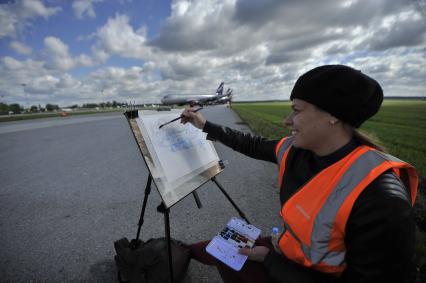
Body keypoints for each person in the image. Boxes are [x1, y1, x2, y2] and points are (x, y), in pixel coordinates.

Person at [180, 65, 419, 283]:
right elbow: (250, 144)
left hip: (303, 271)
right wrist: (205, 125)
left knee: (230, 257)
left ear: (333, 116)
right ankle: (174, 251)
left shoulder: (381, 197)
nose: (287, 120)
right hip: (289, 253)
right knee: (214, 247)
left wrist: (270, 260)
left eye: (296, 110)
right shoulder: (294, 150)